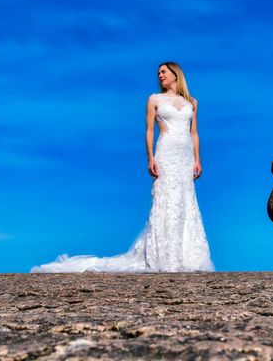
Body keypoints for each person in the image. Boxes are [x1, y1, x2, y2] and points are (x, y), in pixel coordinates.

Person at [30, 61, 215, 273]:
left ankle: (187, 256)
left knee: (185, 200)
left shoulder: (192, 102)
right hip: (166, 152)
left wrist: (197, 159)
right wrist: (151, 158)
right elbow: (149, 132)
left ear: (176, 74)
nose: (160, 76)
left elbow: (194, 133)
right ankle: (163, 257)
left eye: (164, 72)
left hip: (184, 157)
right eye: (158, 73)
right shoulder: (154, 99)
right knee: (166, 199)